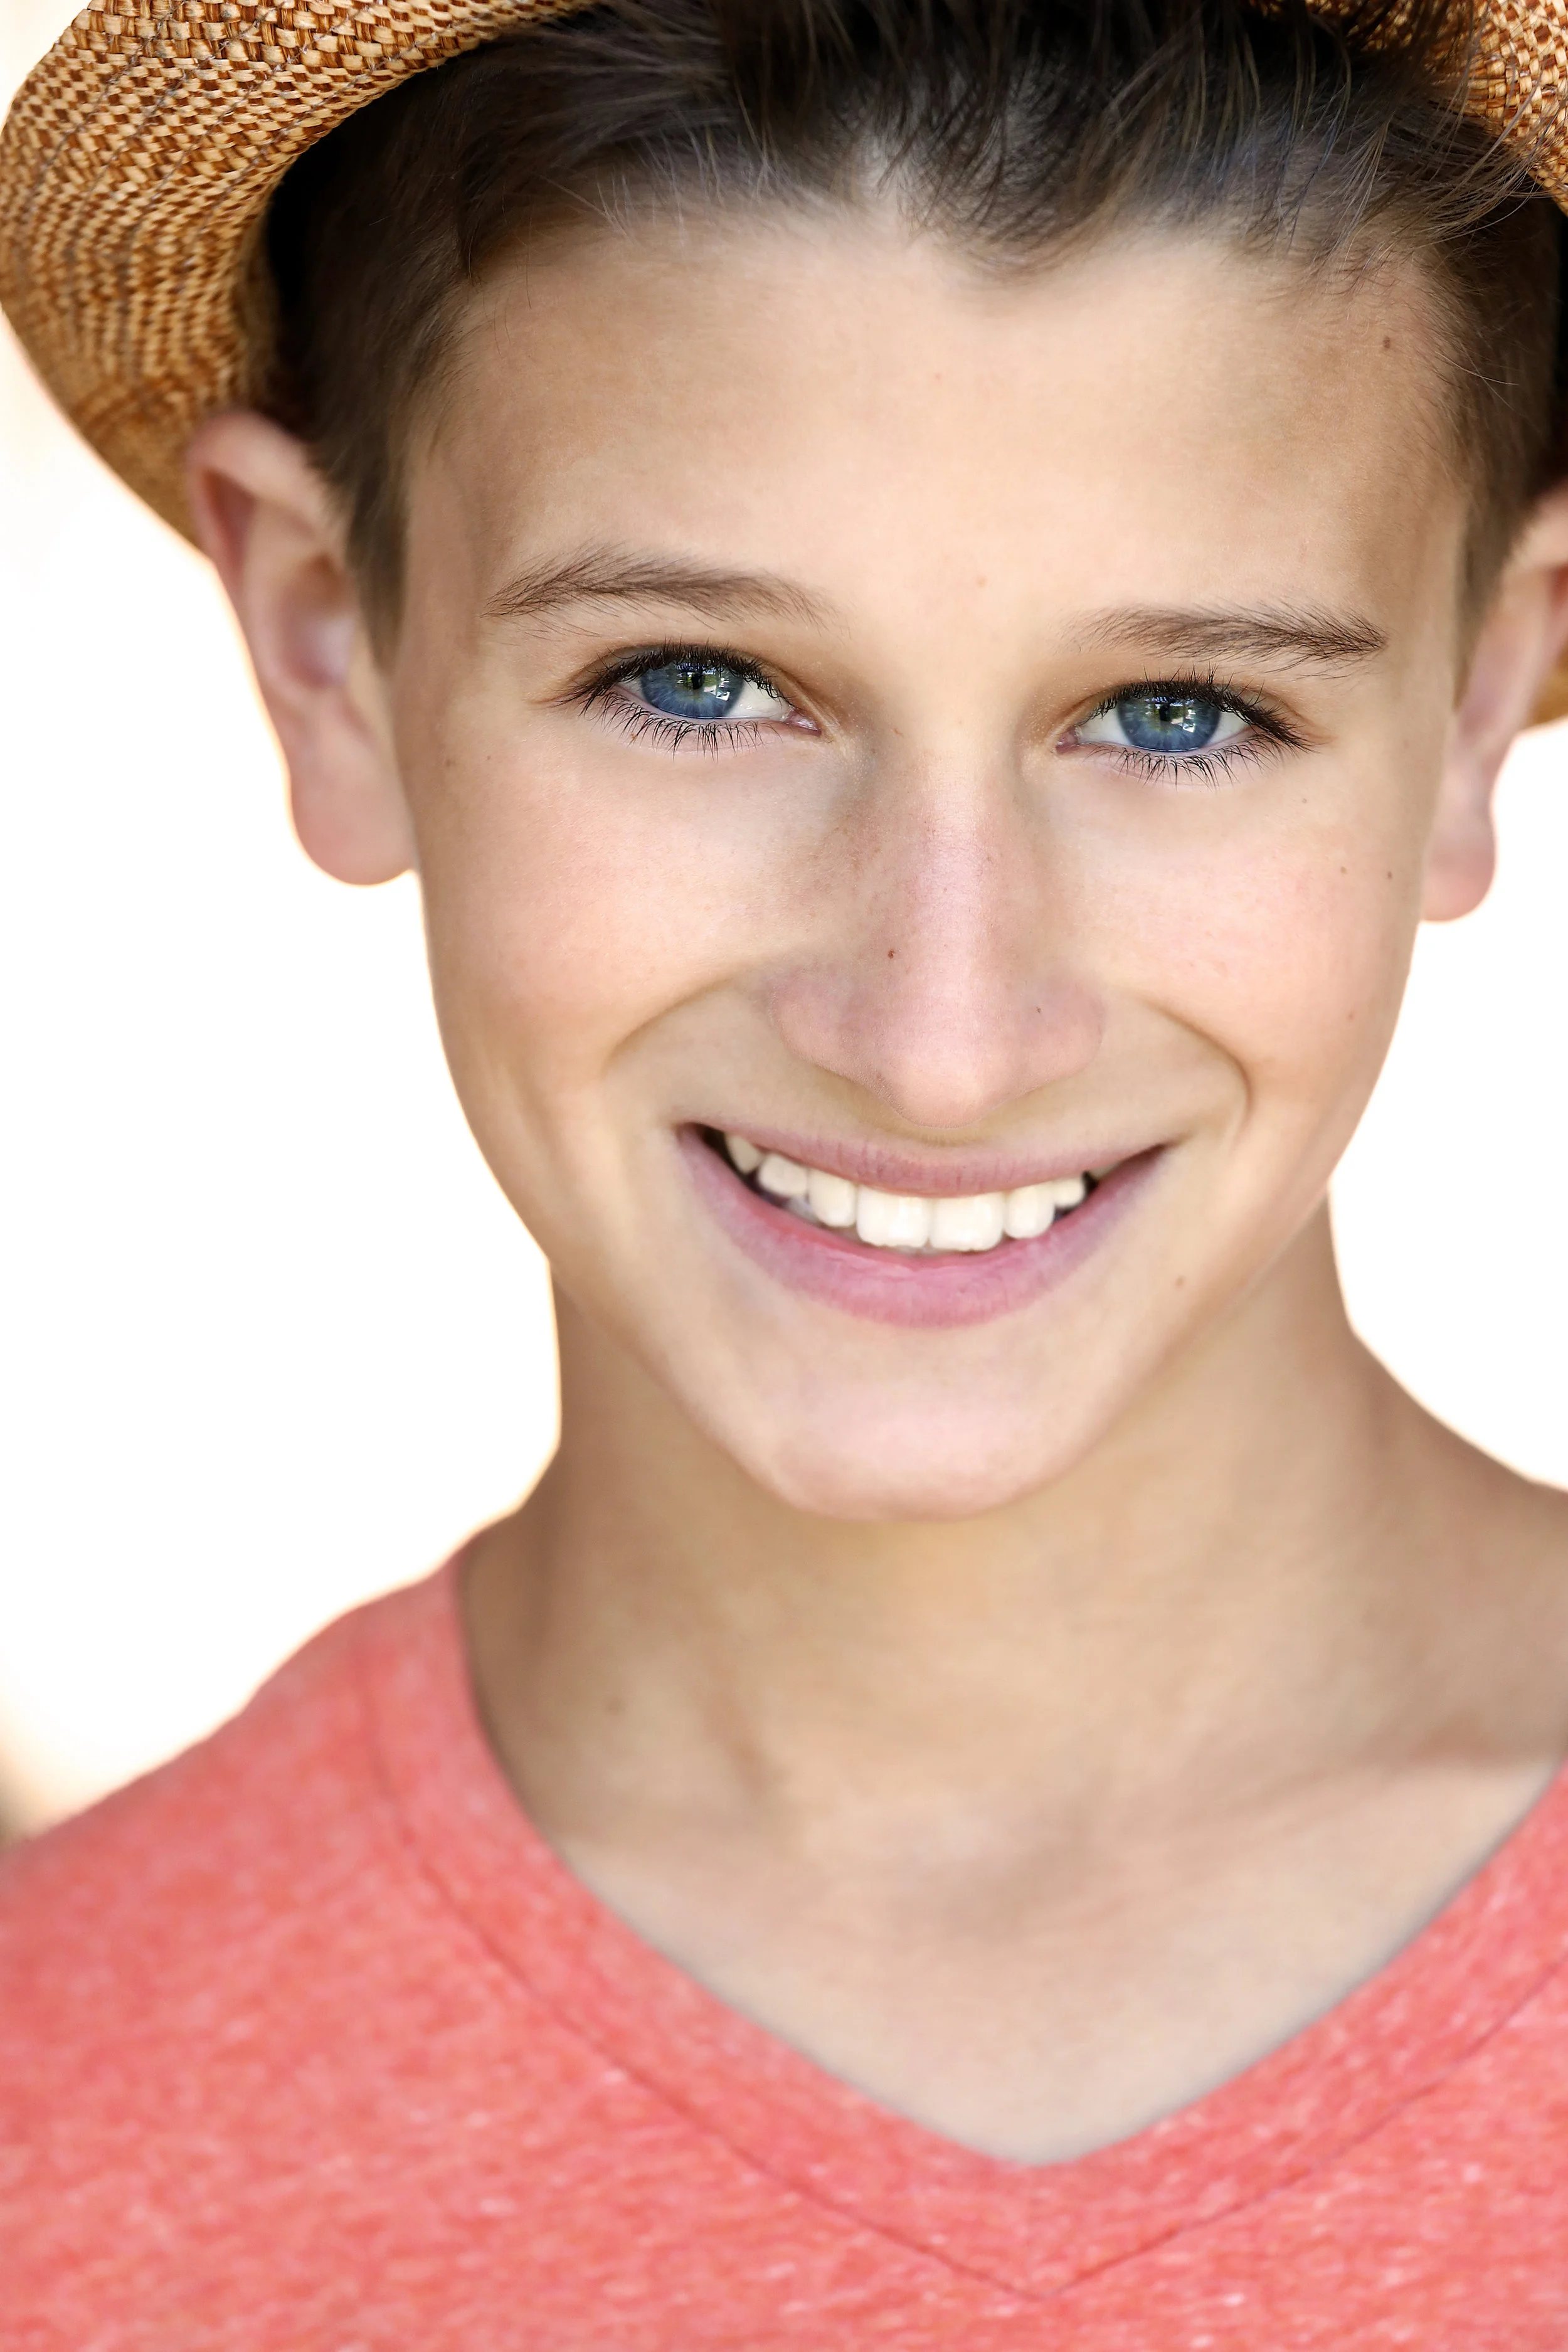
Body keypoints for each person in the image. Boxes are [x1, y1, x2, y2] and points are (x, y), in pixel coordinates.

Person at [6, 0, 1568, 2336]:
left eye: (1179, 715)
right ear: (327, 645)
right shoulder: (58, 2140)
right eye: (696, 682)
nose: (940, 1036)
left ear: (1471, 705)